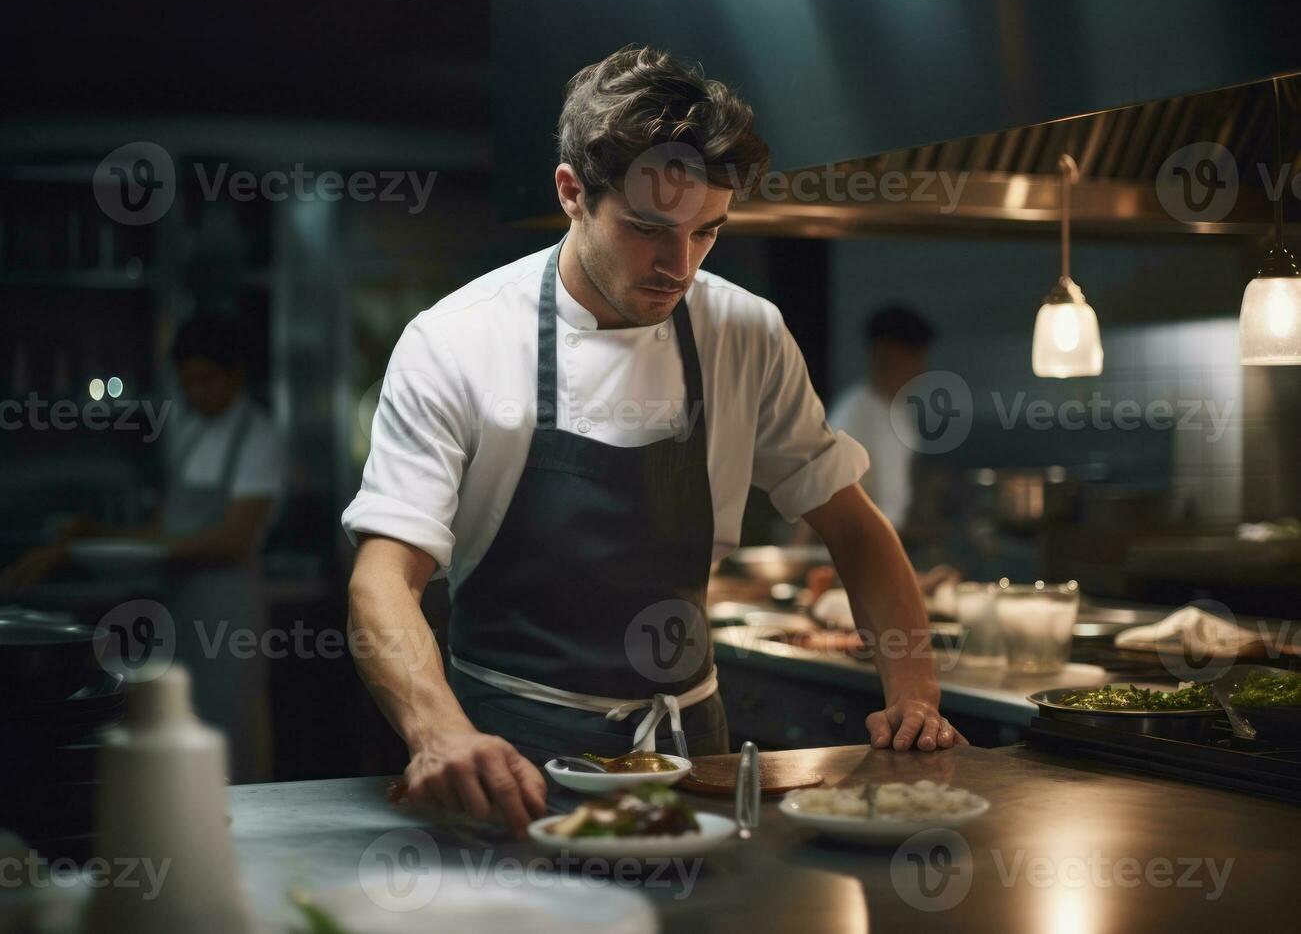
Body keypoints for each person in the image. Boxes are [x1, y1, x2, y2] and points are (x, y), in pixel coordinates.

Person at [342, 45, 966, 839]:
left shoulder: (744, 331)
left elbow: (852, 524)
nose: (680, 267)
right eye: (648, 230)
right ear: (571, 193)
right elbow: (381, 580)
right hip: (505, 759)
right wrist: (437, 731)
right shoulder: (457, 342)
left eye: (708, 231)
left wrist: (913, 694)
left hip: (689, 757)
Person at [3, 314, 284, 781]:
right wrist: (94, 534)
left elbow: (233, 540)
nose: (196, 392)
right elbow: (162, 528)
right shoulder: (190, 433)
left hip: (226, 608)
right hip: (178, 603)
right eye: (187, 382)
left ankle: (232, 836)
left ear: (236, 374)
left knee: (223, 727)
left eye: (207, 380)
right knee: (172, 722)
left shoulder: (258, 435)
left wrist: (140, 550)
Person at [826, 306, 934, 530]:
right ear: (886, 352)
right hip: (858, 537)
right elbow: (830, 493)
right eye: (914, 354)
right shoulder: (854, 412)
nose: (922, 366)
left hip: (892, 534)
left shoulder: (900, 410)